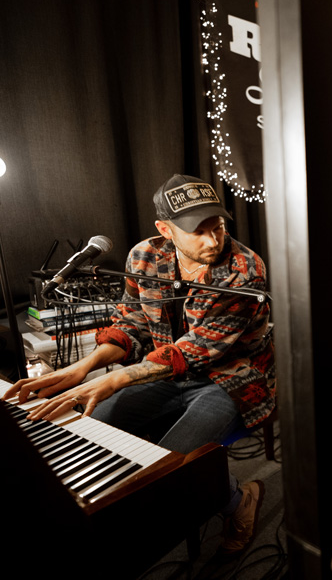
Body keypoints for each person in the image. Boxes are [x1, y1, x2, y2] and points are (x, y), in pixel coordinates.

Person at [3, 173, 275, 555]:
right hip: (162, 372)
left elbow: (195, 350)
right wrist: (83, 367)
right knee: (92, 431)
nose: (213, 240)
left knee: (166, 467)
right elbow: (131, 324)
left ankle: (239, 500)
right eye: (199, 231)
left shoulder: (244, 268)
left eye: (218, 227)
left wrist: (113, 380)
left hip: (230, 378)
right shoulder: (143, 256)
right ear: (166, 229)